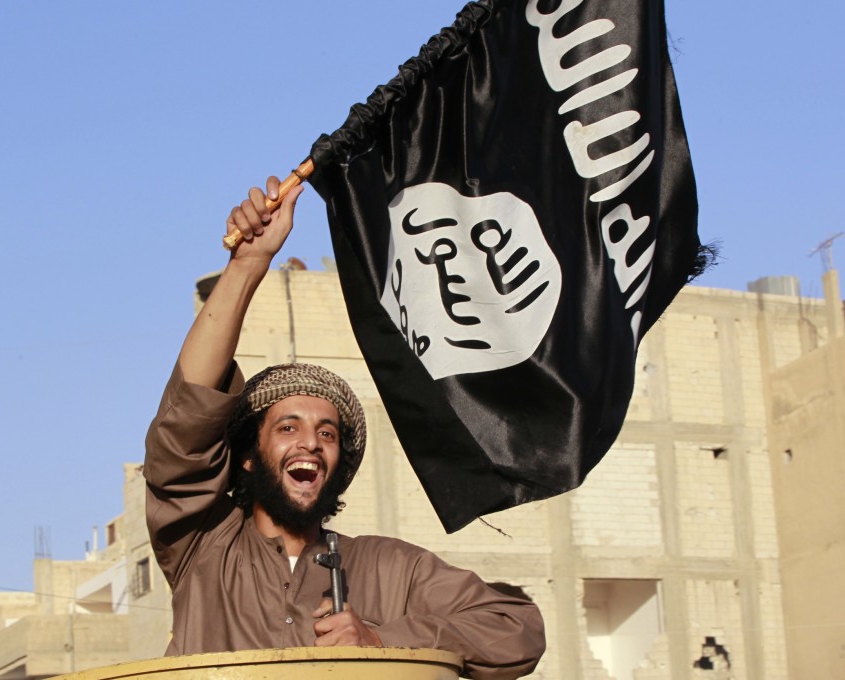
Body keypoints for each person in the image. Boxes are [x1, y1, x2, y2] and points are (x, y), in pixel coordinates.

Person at [144, 176, 546, 679]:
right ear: (248, 455)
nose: (311, 441)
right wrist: (247, 266)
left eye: (327, 433)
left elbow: (517, 628)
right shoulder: (203, 547)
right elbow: (186, 420)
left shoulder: (387, 568)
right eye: (287, 427)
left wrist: (383, 640)